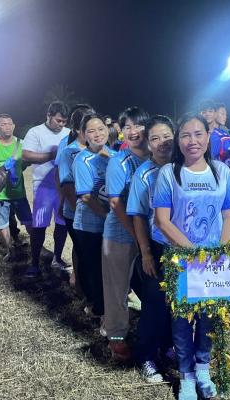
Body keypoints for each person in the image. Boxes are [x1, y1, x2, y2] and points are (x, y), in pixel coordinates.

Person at [154, 113, 230, 400]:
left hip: (213, 263)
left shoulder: (221, 171)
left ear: (208, 137)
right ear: (178, 141)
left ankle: (203, 369)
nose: (193, 140)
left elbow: (229, 215)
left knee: (208, 318)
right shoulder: (169, 173)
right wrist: (193, 253)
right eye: (186, 135)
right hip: (181, 261)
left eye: (198, 134)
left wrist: (219, 252)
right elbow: (162, 221)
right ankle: (187, 376)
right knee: (181, 321)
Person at [126, 115, 174, 382]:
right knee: (154, 302)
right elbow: (138, 216)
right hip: (157, 247)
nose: (162, 142)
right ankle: (145, 355)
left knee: (177, 303)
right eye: (155, 138)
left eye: (166, 136)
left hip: (185, 247)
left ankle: (168, 346)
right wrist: (145, 253)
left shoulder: (185, 166)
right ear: (148, 144)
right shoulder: (144, 173)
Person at [102, 106, 149, 361]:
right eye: (127, 126)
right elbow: (116, 203)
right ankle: (116, 336)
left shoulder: (158, 158)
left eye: (138, 125)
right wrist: (139, 239)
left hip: (150, 234)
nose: (133, 131)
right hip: (120, 233)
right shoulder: (119, 161)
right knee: (117, 287)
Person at [72, 113, 114, 323]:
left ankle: (111, 304)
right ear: (83, 135)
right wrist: (109, 217)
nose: (97, 134)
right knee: (95, 268)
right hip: (89, 225)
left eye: (100, 129)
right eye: (91, 131)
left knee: (111, 267)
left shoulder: (116, 156)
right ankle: (100, 309)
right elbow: (86, 196)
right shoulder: (82, 160)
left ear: (107, 130)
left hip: (113, 224)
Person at [22, 101, 70, 278]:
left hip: (64, 187)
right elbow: (26, 154)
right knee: (39, 225)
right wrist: (52, 155)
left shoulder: (68, 133)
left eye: (64, 121)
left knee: (62, 224)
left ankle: (57, 258)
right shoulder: (35, 132)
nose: (61, 124)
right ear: (48, 115)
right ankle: (34, 263)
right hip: (43, 186)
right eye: (58, 120)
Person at [0, 114, 32, 260]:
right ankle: (7, 248)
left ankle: (33, 246)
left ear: (14, 125)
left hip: (17, 191)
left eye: (9, 123)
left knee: (26, 220)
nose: (7, 126)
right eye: (3, 124)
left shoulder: (22, 144)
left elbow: (27, 162)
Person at [57, 105, 93, 287]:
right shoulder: (69, 152)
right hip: (78, 214)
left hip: (96, 213)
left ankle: (84, 285)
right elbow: (67, 187)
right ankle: (82, 287)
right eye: (88, 128)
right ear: (77, 129)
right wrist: (79, 211)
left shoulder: (100, 149)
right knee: (83, 252)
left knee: (90, 254)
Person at [199, 100, 230, 166]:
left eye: (210, 111)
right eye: (204, 112)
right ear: (200, 114)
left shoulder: (224, 137)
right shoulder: (194, 134)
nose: (207, 114)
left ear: (215, 113)